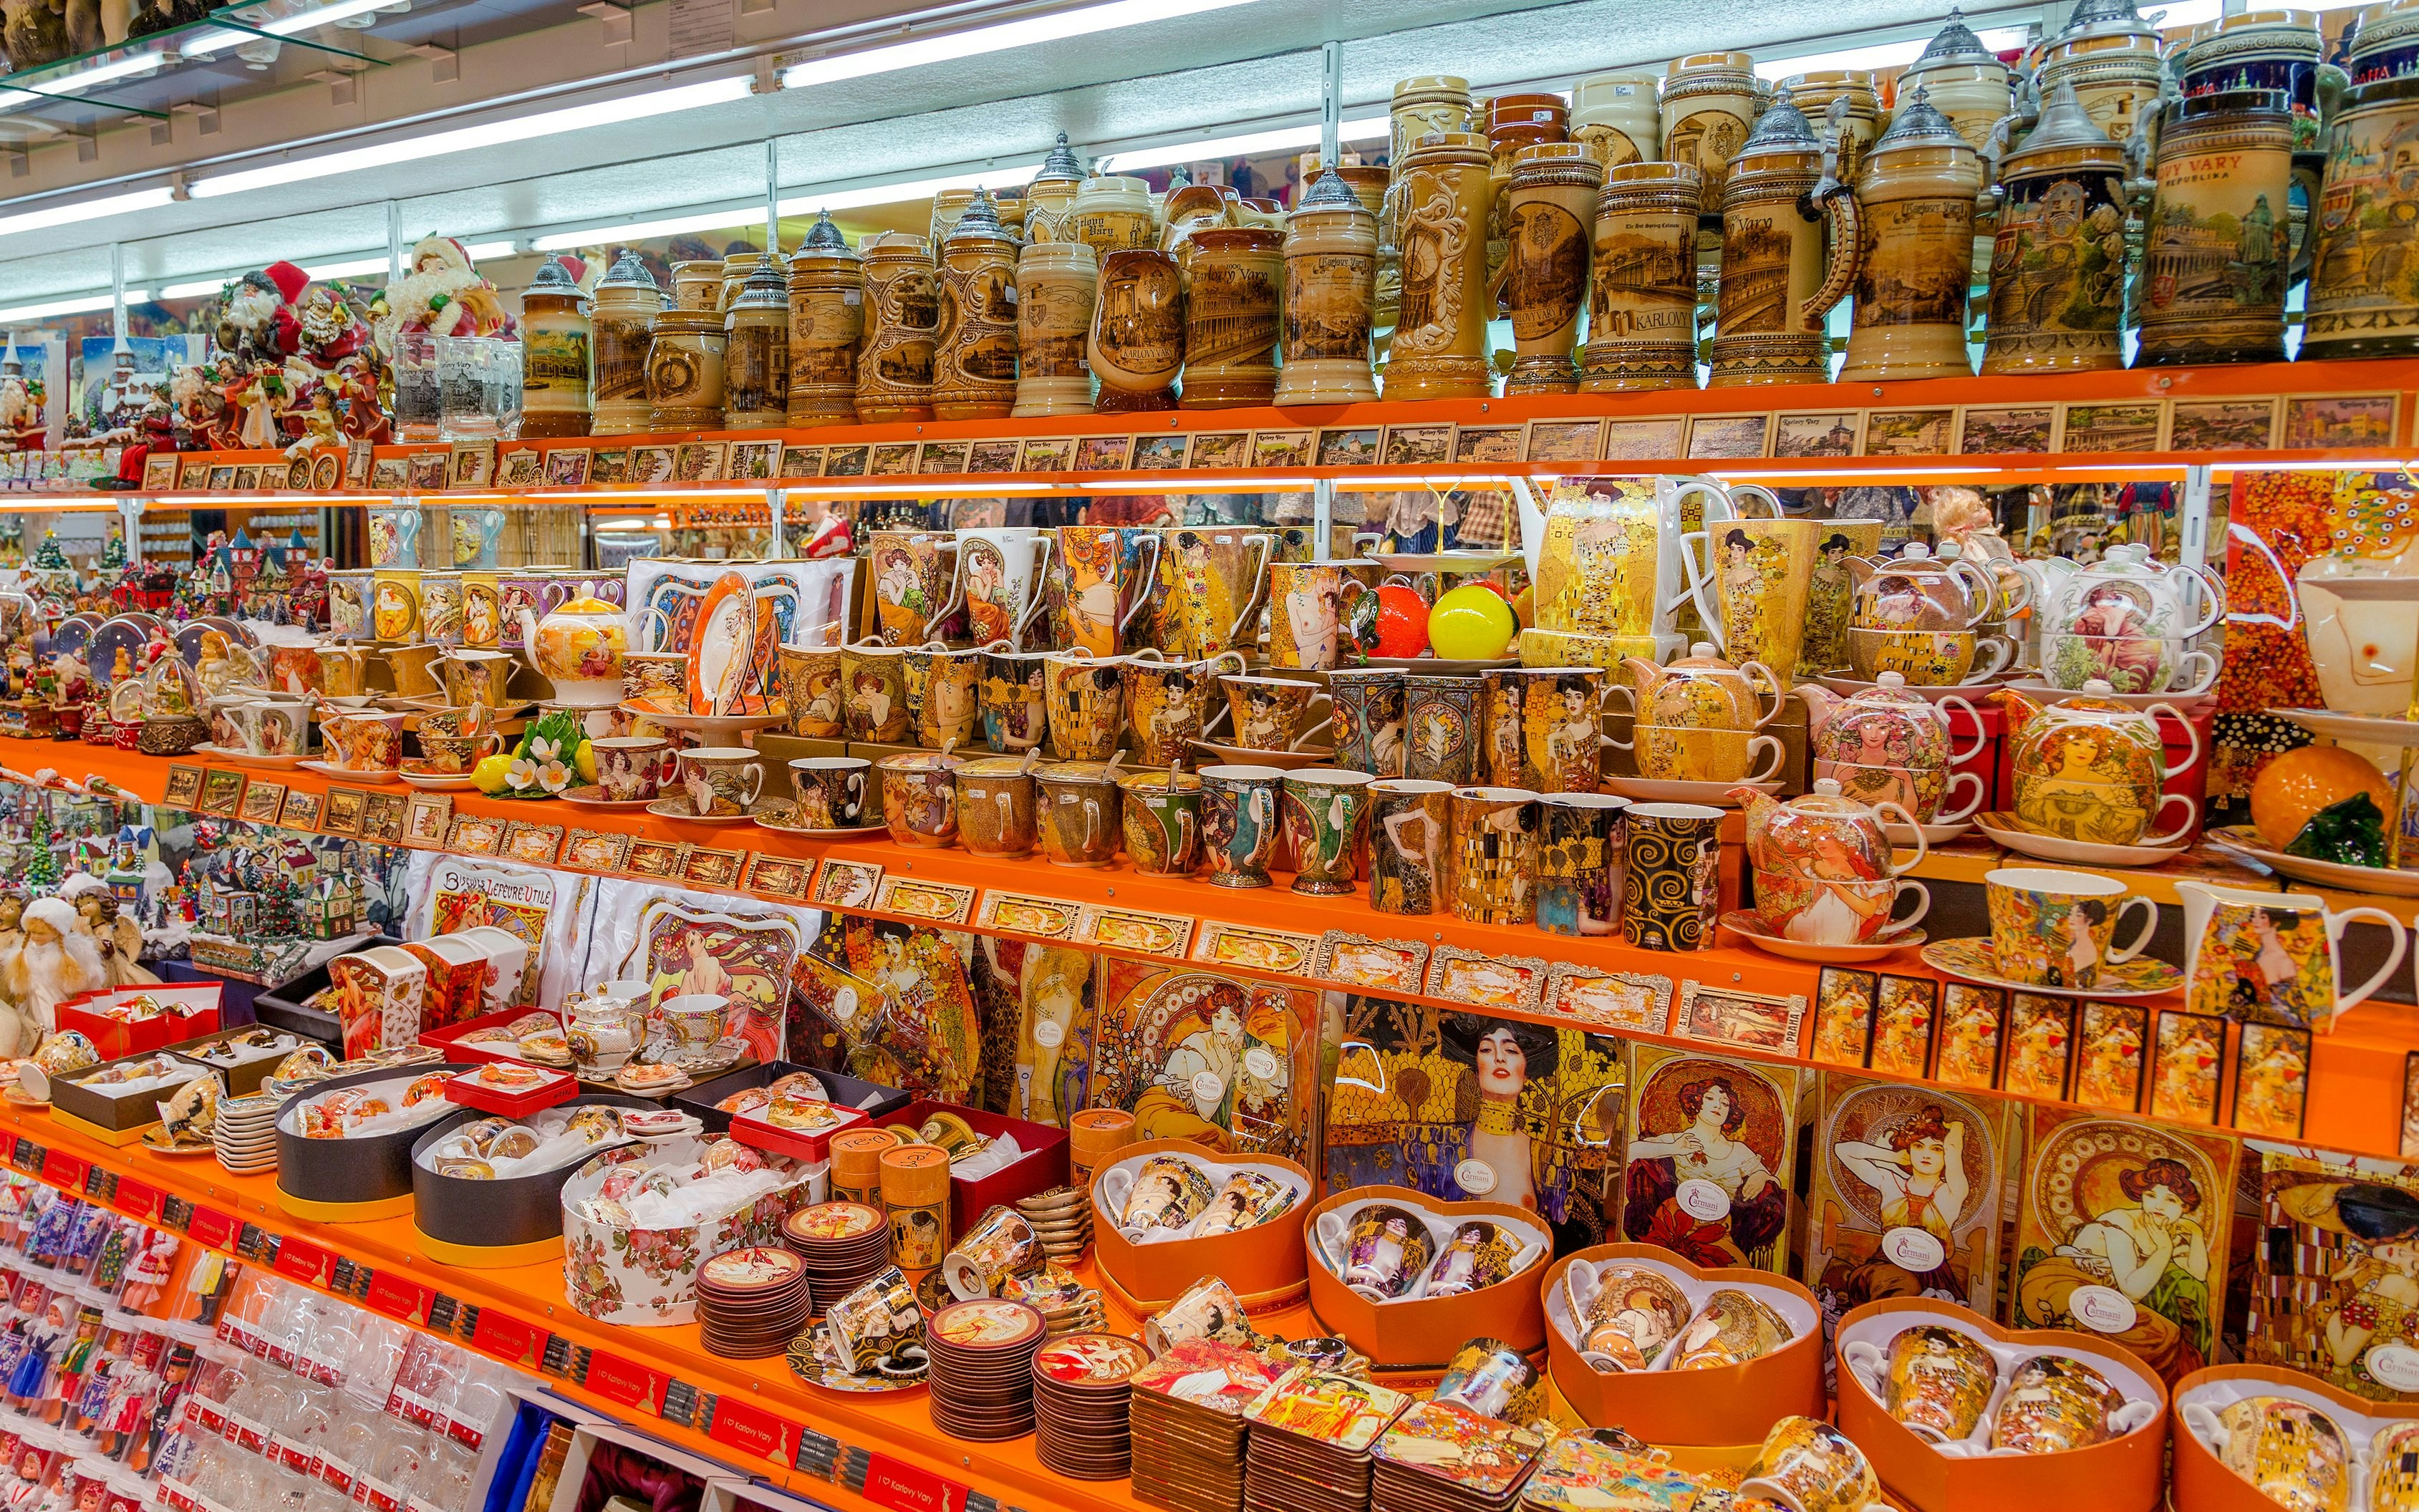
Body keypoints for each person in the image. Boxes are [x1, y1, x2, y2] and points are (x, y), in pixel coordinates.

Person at [1623, 1075, 1786, 1267]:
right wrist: (1674, 1148)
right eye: (1710, 1099)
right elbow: (1630, 1152)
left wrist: (1761, 1176)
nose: (1718, 1106)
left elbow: (1774, 1181)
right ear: (1695, 1102)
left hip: (1720, 1232)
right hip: (1676, 1230)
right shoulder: (1677, 1139)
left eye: (1725, 1103)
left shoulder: (1740, 1151)